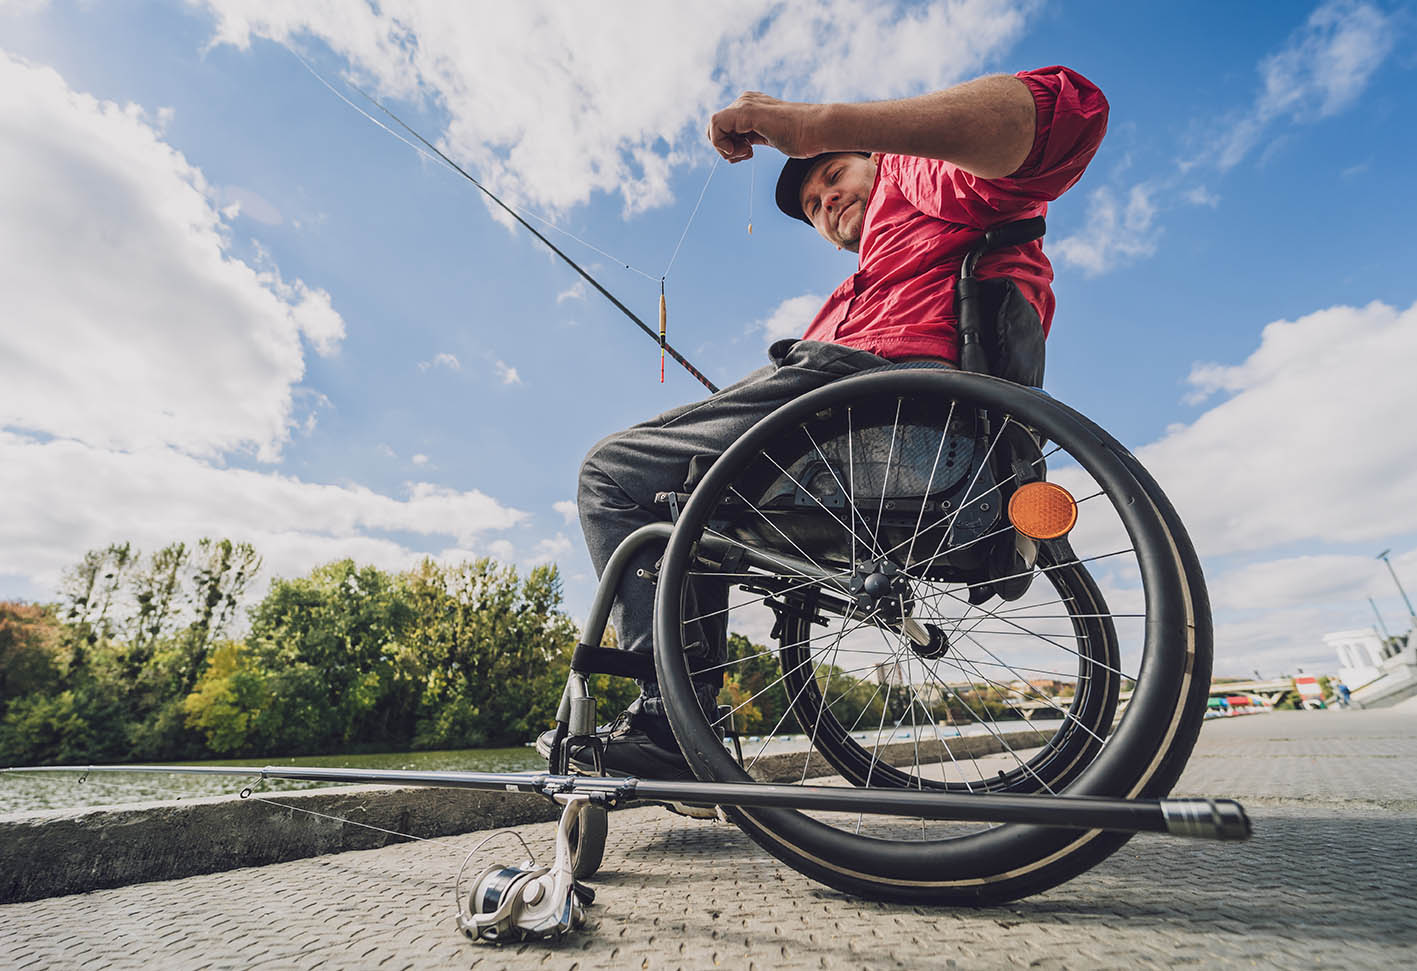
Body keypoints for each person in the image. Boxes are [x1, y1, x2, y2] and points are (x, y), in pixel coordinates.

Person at [539, 66, 1109, 779]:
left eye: (834, 174)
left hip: (889, 413)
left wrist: (819, 126)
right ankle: (685, 721)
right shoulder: (863, 279)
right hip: (866, 432)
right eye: (811, 203)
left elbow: (1069, 114)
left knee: (613, 473)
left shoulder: (921, 178)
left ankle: (670, 722)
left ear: (869, 154)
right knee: (687, 488)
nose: (824, 199)